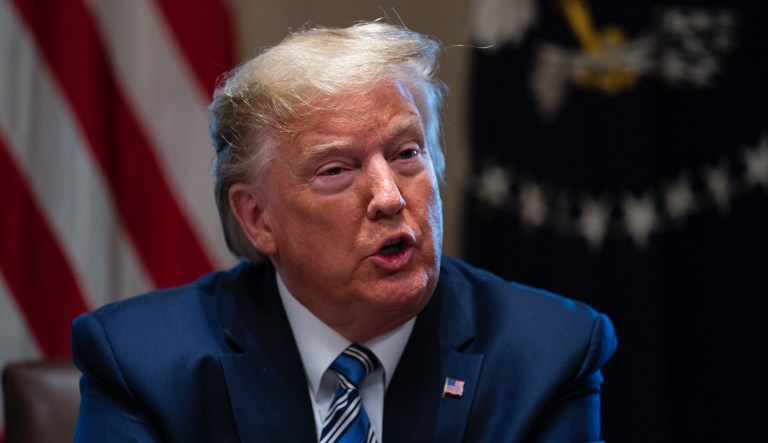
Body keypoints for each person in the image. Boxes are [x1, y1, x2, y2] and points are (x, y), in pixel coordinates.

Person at [71, 21, 617, 442]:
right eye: (336, 170)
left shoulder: (545, 354)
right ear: (258, 218)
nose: (389, 196)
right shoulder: (144, 364)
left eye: (407, 154)